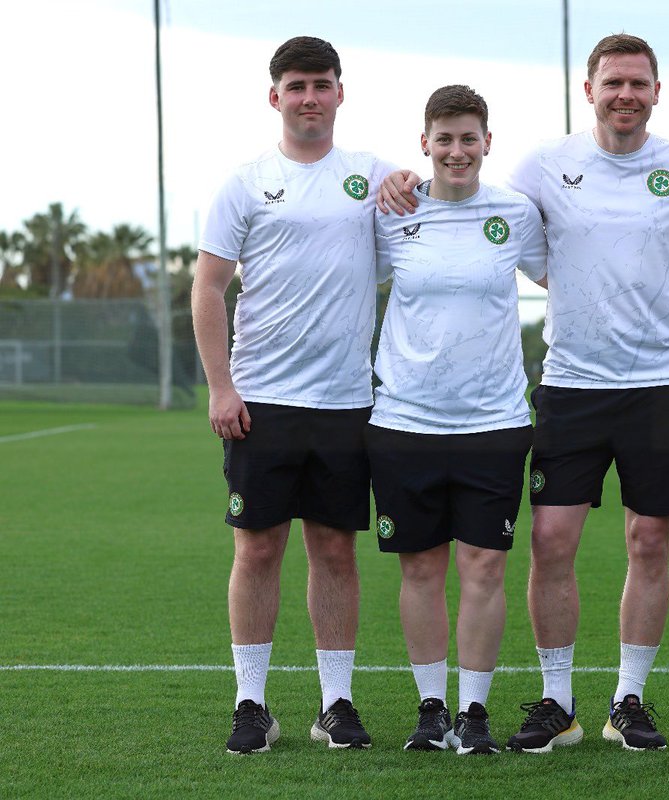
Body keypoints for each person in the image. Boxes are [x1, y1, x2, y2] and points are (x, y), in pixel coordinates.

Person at [499, 33, 669, 753]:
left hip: (664, 384)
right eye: (613, 83)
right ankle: (556, 702)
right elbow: (511, 239)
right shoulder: (544, 165)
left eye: (638, 83)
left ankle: (628, 699)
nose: (625, 95)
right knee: (550, 539)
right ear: (589, 90)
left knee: (650, 537)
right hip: (572, 382)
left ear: (656, 91)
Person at [192, 36, 392, 754]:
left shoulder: (373, 176)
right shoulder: (244, 183)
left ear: (341, 92)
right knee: (258, 550)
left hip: (344, 402)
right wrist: (222, 384)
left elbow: (428, 217)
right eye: (297, 86)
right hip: (262, 402)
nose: (310, 97)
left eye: (323, 84)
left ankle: (335, 703)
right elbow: (208, 286)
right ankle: (253, 704)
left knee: (335, 550)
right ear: (275, 96)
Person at [369, 85, 546, 756]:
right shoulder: (390, 212)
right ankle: (430, 709)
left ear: (487, 142)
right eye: (444, 138)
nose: (457, 150)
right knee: (420, 567)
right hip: (405, 421)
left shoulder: (515, 214)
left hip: (493, 423)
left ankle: (474, 713)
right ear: (425, 145)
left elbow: (566, 274)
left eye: (469, 137)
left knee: (483, 566)